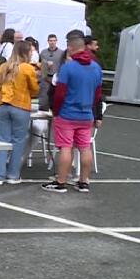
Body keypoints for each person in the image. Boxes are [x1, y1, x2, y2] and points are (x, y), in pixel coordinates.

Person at [43, 35, 102, 193]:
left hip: (68, 113)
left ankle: (61, 181)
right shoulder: (96, 67)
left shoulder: (68, 68)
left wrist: (56, 111)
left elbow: (60, 93)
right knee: (85, 147)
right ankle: (84, 181)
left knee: (66, 147)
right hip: (86, 114)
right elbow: (98, 95)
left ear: (70, 48)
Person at [0, 41, 39, 185]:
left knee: (3, 140)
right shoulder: (27, 69)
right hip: (20, 105)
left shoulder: (3, 66)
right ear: (26, 53)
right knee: (18, 141)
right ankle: (13, 174)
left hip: (4, 105)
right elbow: (35, 90)